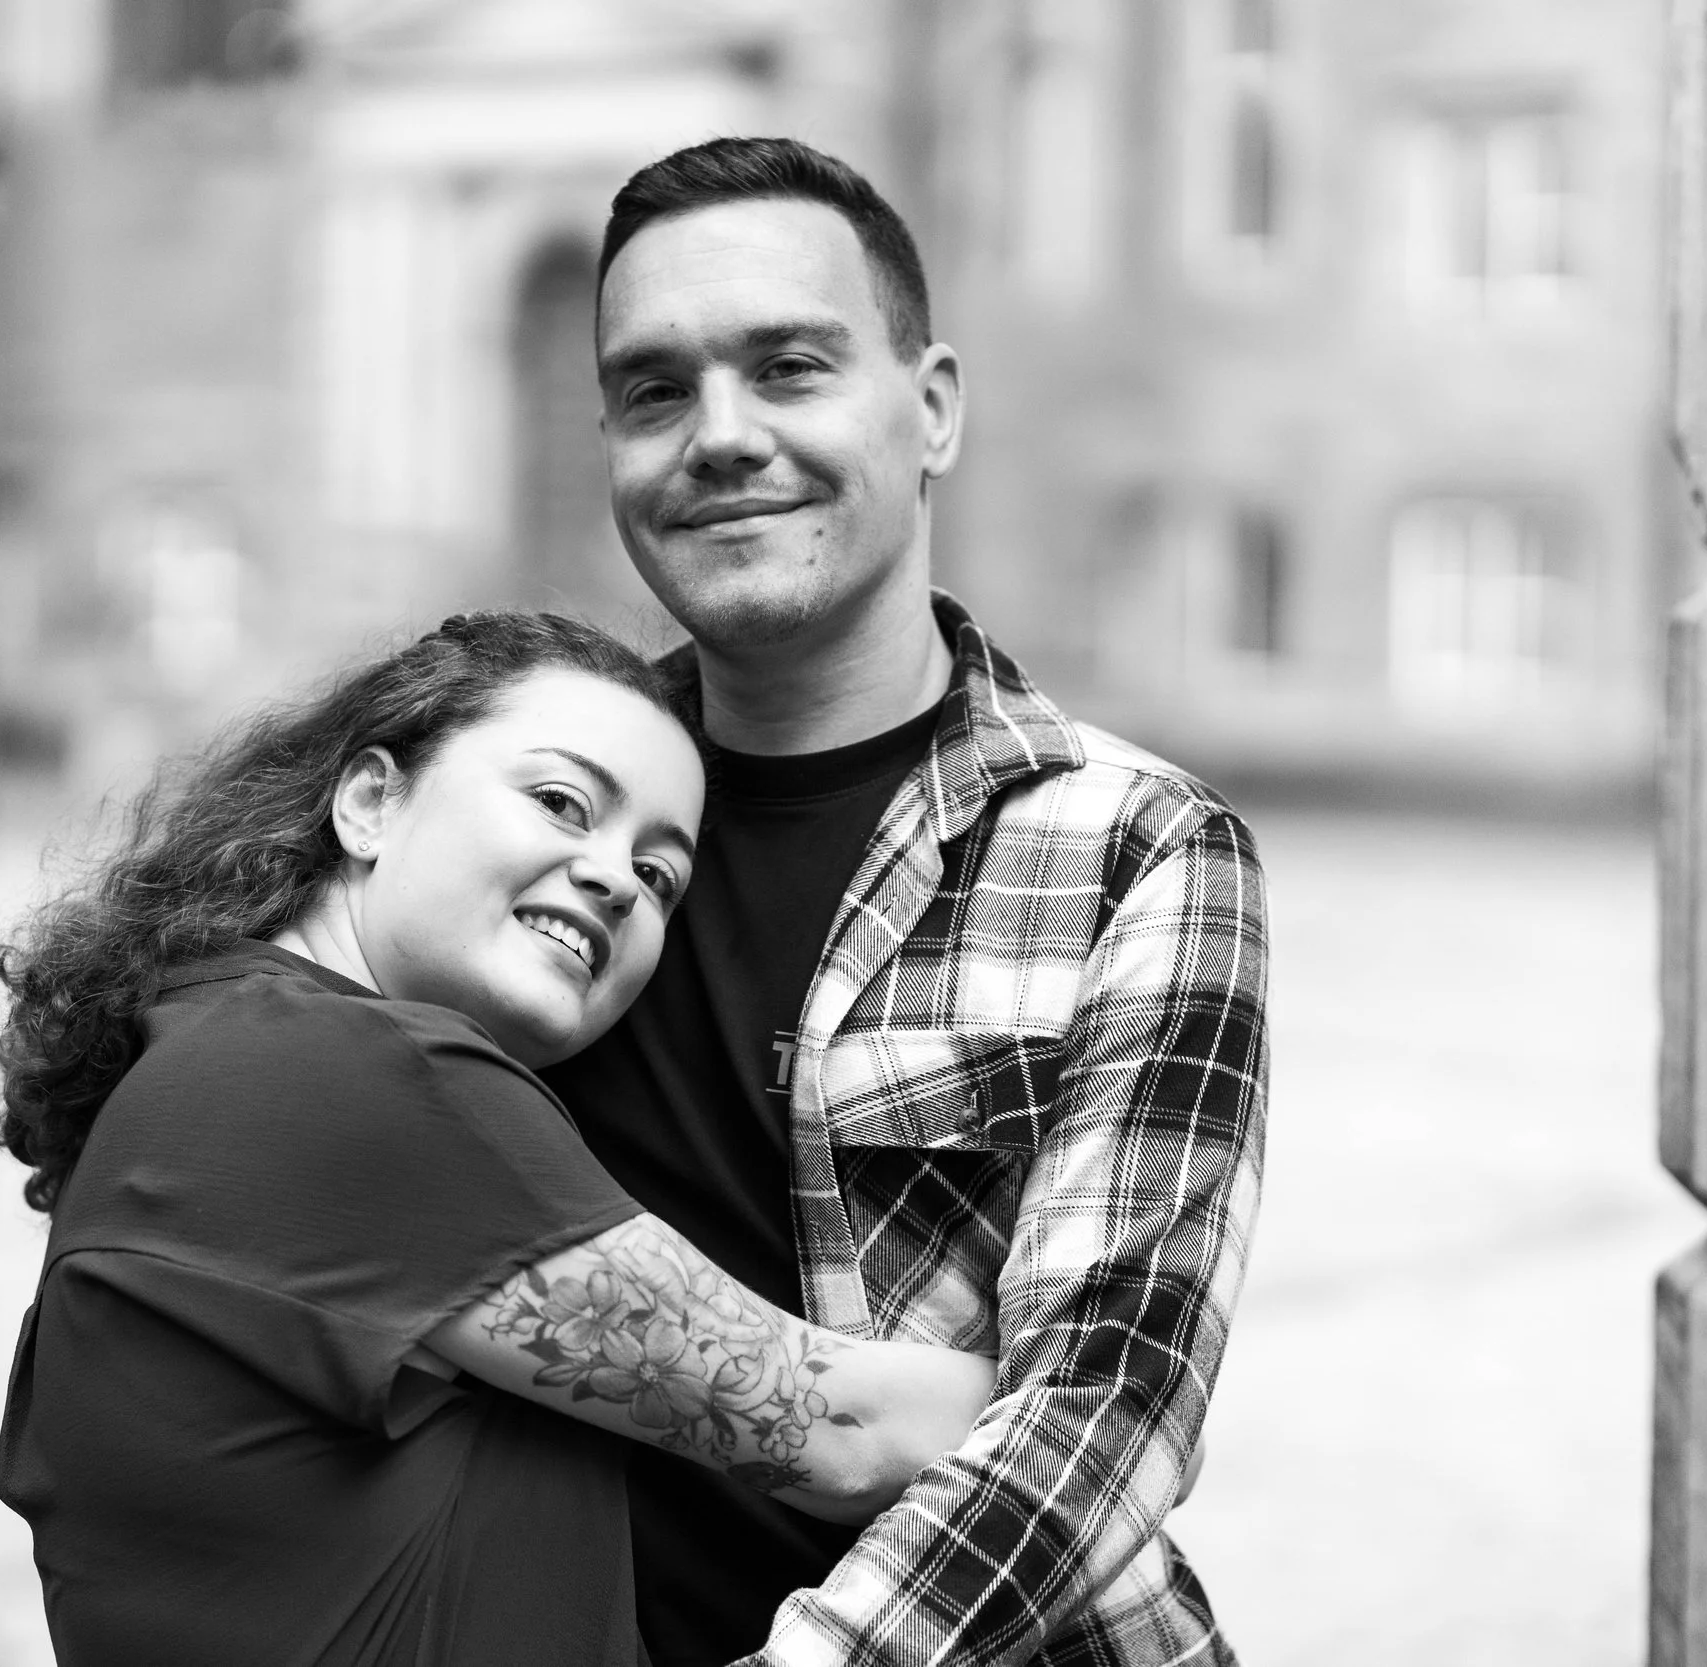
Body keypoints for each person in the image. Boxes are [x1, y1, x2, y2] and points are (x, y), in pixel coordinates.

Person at [537, 138, 1269, 1666]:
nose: (720, 437)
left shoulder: (1134, 843)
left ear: (932, 407)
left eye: (790, 368)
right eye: (656, 391)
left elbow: (1105, 1415)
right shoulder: (527, 820)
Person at [0, 612, 997, 1667]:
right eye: (561, 801)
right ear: (372, 800)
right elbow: (844, 1432)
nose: (614, 876)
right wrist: (1119, 1365)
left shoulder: (209, 1048)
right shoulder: (358, 1076)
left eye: (660, 875)